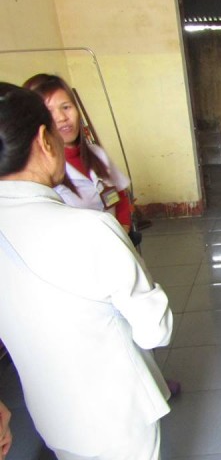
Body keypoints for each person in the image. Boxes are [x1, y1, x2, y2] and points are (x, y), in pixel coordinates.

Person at [0, 82, 173, 459]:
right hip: (117, 417)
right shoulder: (89, 230)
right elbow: (154, 330)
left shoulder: (93, 162)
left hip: (54, 418)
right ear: (44, 141)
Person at [22, 74, 140, 245]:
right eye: (49, 112)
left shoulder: (97, 154)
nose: (62, 117)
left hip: (117, 244)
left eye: (66, 107)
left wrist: (123, 228)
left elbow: (119, 194)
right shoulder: (38, 174)